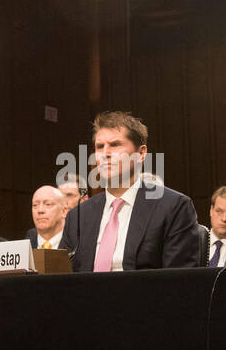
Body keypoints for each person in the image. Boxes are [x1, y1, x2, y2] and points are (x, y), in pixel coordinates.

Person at [61, 111, 199, 272]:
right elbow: (64, 280)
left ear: (141, 153)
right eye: (100, 147)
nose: (105, 154)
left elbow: (179, 283)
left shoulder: (174, 207)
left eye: (115, 145)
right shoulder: (77, 216)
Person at [25, 185, 68, 250]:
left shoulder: (77, 243)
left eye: (48, 204)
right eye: (35, 205)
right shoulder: (26, 243)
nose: (40, 210)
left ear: (64, 211)